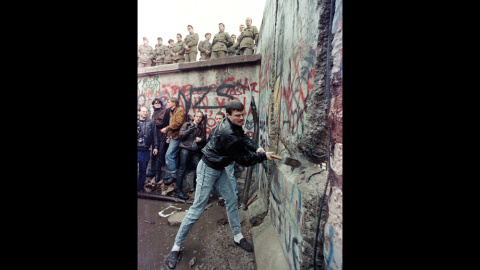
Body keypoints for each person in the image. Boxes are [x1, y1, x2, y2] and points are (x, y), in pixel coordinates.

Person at [165, 100, 275, 269]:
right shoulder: (227, 133)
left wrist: (256, 148)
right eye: (237, 115)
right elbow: (244, 159)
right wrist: (263, 156)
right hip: (208, 169)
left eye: (242, 114)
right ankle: (176, 247)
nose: (241, 118)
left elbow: (243, 138)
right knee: (197, 209)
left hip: (219, 167)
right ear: (229, 115)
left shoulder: (233, 125)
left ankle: (237, 235)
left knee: (231, 200)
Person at [174, 111, 207, 200]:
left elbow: (204, 139)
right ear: (194, 116)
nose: (198, 118)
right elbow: (180, 136)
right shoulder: (187, 124)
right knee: (182, 169)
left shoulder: (201, 128)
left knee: (198, 169)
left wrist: (201, 139)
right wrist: (189, 130)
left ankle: (196, 191)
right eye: (197, 116)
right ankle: (177, 191)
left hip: (195, 151)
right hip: (185, 149)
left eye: (200, 117)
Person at [206, 111, 238, 197]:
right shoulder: (213, 130)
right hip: (215, 158)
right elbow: (209, 143)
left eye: (220, 118)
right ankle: (209, 195)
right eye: (216, 119)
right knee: (212, 176)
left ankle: (234, 196)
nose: (218, 120)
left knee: (229, 177)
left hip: (226, 158)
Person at [161, 97, 186, 185]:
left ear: (174, 103)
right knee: (173, 156)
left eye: (168, 102)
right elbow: (172, 124)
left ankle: (174, 176)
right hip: (172, 137)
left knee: (169, 155)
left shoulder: (179, 111)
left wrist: (167, 129)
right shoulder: (172, 112)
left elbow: (178, 123)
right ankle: (174, 175)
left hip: (177, 137)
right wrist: (168, 137)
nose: (167, 103)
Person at [146, 98, 170, 182]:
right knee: (153, 154)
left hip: (161, 135)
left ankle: (158, 174)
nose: (157, 104)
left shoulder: (164, 111)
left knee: (160, 154)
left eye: (159, 103)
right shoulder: (153, 112)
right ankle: (152, 171)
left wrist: (151, 122)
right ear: (153, 104)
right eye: (155, 103)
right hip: (154, 135)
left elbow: (161, 123)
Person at [137, 106, 158, 192]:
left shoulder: (151, 122)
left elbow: (154, 136)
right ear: (139, 112)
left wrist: (155, 147)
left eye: (146, 111)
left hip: (145, 150)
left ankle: (140, 188)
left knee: (143, 169)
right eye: (143, 111)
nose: (145, 113)